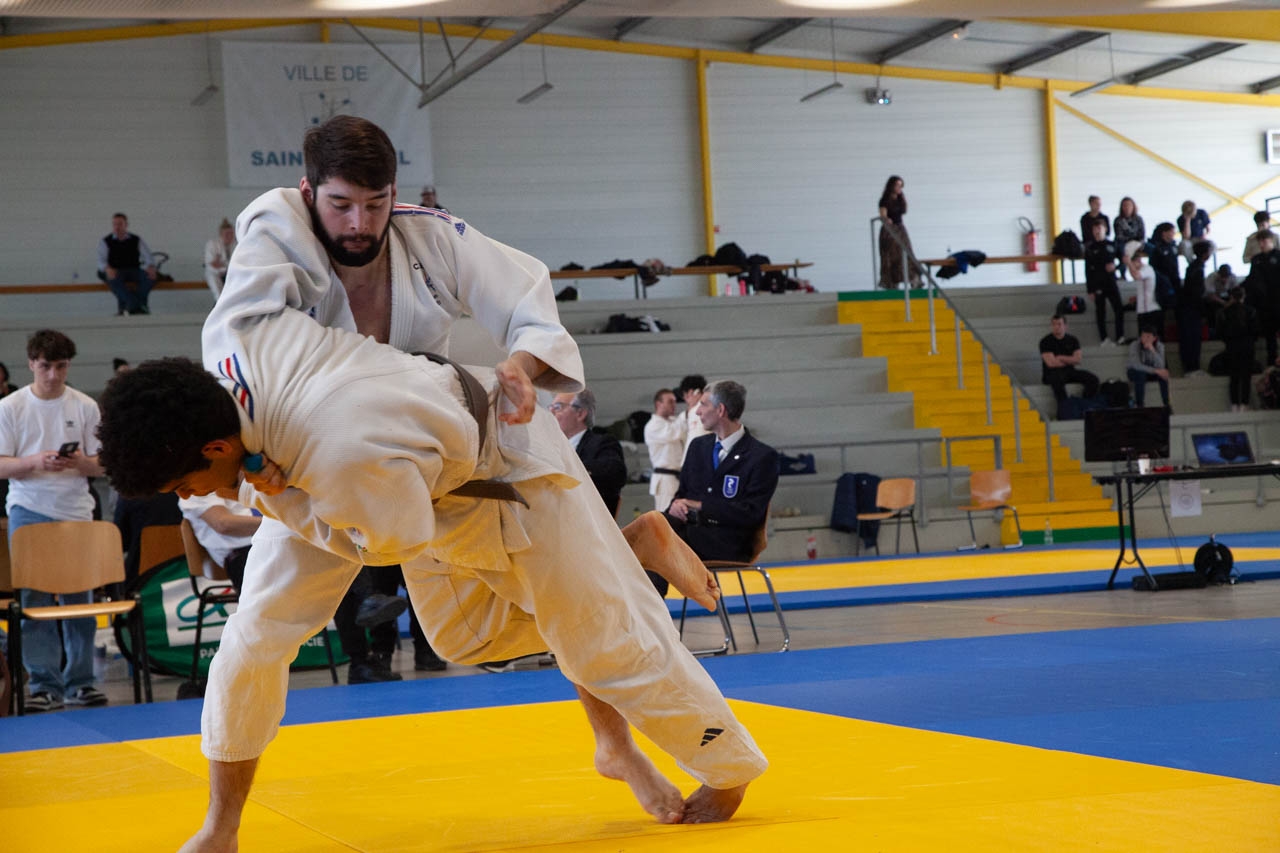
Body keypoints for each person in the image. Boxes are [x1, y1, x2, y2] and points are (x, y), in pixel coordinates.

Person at [95, 312, 766, 850]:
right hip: (360, 472)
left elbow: (387, 542)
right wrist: (265, 484)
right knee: (428, 637)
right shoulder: (232, 346)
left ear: (215, 447)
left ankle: (726, 766)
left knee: (599, 634)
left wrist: (269, 493)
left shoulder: (342, 453)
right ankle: (222, 826)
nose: (188, 498)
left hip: (494, 465)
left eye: (185, 485)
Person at [0, 329, 109, 712]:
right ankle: (44, 684)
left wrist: (80, 462)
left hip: (76, 509)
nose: (53, 375)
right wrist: (35, 461)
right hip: (28, 507)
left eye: (61, 366)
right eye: (45, 366)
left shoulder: (84, 406)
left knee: (81, 600)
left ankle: (81, 682)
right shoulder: (10, 407)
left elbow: (103, 464)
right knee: (35, 601)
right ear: (31, 363)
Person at [664, 380, 778, 564]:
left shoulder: (761, 457)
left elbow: (750, 513)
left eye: (703, 405)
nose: (698, 411)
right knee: (651, 528)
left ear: (720, 410)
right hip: (689, 532)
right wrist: (676, 505)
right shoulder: (698, 447)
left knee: (657, 548)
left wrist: (701, 506)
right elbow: (682, 493)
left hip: (728, 542)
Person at [550, 389, 626, 517]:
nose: (552, 412)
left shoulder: (602, 443)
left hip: (588, 518)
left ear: (580, 414)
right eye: (551, 407)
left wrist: (566, 469)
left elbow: (615, 473)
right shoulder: (551, 447)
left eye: (558, 407)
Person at [97, 212, 156, 315]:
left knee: (151, 277)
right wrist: (107, 268)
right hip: (116, 271)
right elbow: (101, 261)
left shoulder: (136, 239)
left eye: (120, 224)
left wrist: (150, 267)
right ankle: (138, 306)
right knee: (112, 278)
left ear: (126, 225)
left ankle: (129, 306)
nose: (117, 227)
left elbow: (148, 257)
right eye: (114, 224)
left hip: (134, 270)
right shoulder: (105, 241)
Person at [1039, 314, 1099, 405]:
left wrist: (1060, 357)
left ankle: (1084, 404)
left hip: (1069, 372)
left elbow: (1078, 360)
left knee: (1093, 379)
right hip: (1051, 373)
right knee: (1057, 380)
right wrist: (1070, 360)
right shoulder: (1045, 341)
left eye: (1059, 324)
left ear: (1065, 326)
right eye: (1054, 324)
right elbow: (1051, 363)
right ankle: (1065, 407)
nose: (1056, 327)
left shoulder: (1073, 340)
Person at [1084, 219, 1124, 346]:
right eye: (1095, 229)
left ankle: (1120, 336)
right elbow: (1087, 270)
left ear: (1105, 229)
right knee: (1101, 312)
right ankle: (1104, 339)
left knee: (1118, 308)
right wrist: (1090, 289)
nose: (1097, 231)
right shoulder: (1090, 248)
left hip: (1111, 281)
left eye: (1099, 228)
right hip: (1097, 283)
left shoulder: (1112, 244)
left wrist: (1116, 267)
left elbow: (1123, 261)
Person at [1217, 286, 1258, 412]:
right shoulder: (1251, 311)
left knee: (1234, 377)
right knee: (1246, 377)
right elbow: (1255, 331)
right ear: (1244, 296)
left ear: (1231, 297)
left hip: (1232, 347)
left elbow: (1221, 332)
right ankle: (1245, 403)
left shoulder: (1224, 312)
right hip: (1247, 347)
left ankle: (1234, 404)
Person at [644, 388, 685, 513]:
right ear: (658, 404)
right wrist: (688, 412)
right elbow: (675, 432)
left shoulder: (674, 421)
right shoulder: (653, 425)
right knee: (667, 515)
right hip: (665, 479)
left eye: (675, 401)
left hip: (680, 476)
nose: (674, 405)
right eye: (670, 401)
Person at [1244, 230, 1280, 366]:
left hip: (1278, 300)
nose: (1261, 244)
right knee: (1270, 337)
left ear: (1271, 240)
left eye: (1264, 241)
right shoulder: (1256, 259)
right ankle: (1272, 364)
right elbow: (1252, 279)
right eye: (1259, 241)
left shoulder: (1278, 256)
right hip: (1265, 304)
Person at [877, 175, 920, 289]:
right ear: (891, 186)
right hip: (889, 230)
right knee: (891, 256)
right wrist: (886, 219)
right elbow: (883, 215)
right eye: (897, 185)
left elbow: (904, 211)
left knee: (907, 253)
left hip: (900, 229)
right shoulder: (884, 200)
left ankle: (914, 279)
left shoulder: (900, 199)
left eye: (901, 186)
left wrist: (902, 197)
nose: (899, 188)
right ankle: (891, 283)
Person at [1177, 240, 1211, 376]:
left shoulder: (1193, 267)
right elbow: (1196, 293)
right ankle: (1192, 367)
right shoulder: (1198, 269)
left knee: (1189, 339)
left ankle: (1190, 367)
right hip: (1192, 309)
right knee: (1192, 339)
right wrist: (1203, 312)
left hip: (1187, 308)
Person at [1125, 326, 1171, 409]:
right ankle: (1140, 405)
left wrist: (1153, 350)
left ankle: (1166, 404)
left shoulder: (1160, 346)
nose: (1145, 339)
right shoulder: (1134, 345)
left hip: (1151, 372)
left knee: (1163, 375)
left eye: (1148, 337)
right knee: (1140, 374)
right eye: (1143, 336)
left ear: (1154, 338)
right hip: (1134, 371)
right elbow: (1136, 365)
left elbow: (1161, 365)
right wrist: (1156, 371)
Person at [677, 374, 709, 463]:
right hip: (694, 459)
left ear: (692, 392)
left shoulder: (702, 408)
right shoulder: (687, 413)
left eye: (685, 396)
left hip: (699, 459)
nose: (686, 400)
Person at [203, 218, 237, 298]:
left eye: (231, 233)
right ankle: (219, 301)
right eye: (227, 234)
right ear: (221, 234)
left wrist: (223, 265)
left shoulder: (236, 244)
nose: (229, 236)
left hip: (231, 272)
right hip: (215, 273)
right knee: (218, 291)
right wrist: (222, 268)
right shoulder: (212, 244)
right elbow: (212, 263)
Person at [1113, 197, 1145, 278]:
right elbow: (1119, 236)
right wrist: (1132, 238)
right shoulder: (1118, 220)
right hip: (1123, 243)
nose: (1127, 207)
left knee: (1153, 249)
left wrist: (1138, 241)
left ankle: (1150, 273)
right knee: (1122, 251)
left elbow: (1142, 234)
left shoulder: (1138, 219)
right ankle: (1122, 273)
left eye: (1129, 205)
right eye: (1125, 205)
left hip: (1138, 242)